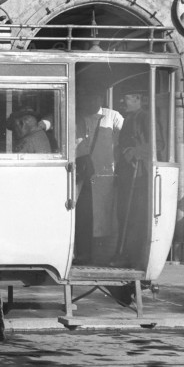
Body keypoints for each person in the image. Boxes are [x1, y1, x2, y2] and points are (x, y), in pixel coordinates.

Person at [74, 94, 123, 265]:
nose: (91, 101)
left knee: (105, 217)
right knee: (84, 215)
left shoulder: (113, 116)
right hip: (84, 173)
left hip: (105, 174)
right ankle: (84, 255)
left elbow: (123, 134)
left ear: (100, 99)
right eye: (88, 98)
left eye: (94, 98)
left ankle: (102, 256)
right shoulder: (79, 117)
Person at [114, 85, 152, 265]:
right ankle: (122, 254)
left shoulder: (146, 117)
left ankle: (131, 257)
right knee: (123, 215)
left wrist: (136, 152)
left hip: (140, 175)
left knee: (134, 216)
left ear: (137, 99)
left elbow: (157, 144)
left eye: (126, 98)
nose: (122, 102)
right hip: (127, 173)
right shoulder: (129, 118)